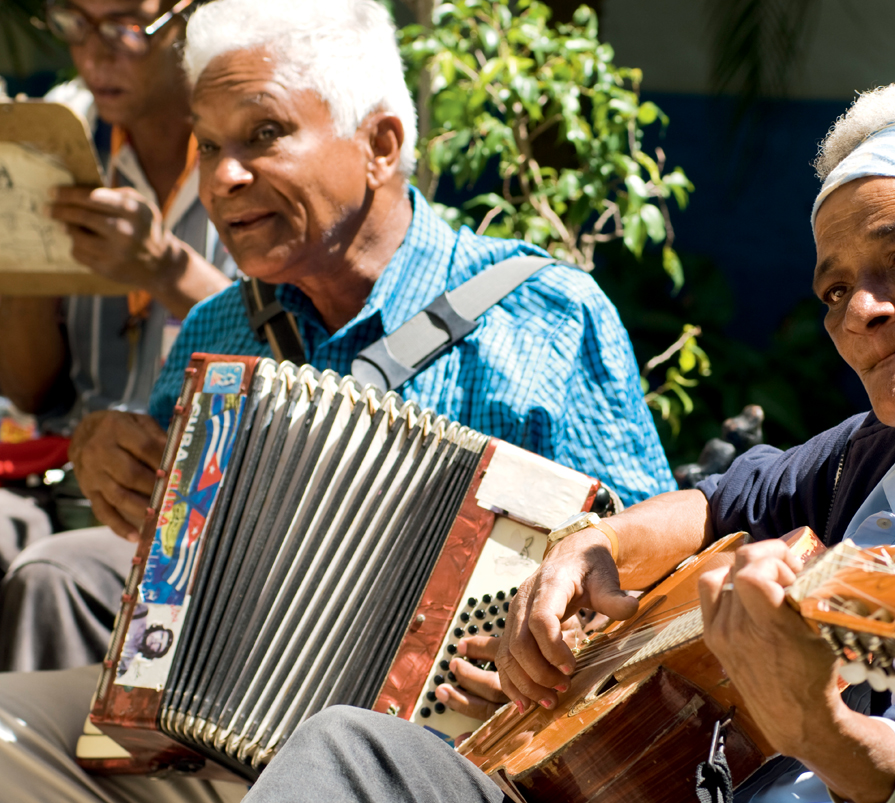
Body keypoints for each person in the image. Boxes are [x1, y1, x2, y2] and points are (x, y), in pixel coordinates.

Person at [238, 80, 895, 803]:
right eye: (833, 289)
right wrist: (595, 550)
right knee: (360, 751)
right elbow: (730, 500)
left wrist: (819, 726)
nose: (860, 310)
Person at [0, 0, 674, 800]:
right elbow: (161, 540)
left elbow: (651, 590)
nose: (223, 177)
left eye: (263, 135)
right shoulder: (220, 328)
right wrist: (108, 452)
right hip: (216, 737)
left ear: (381, 145)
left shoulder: (546, 315)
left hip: (440, 760)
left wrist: (551, 650)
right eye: (208, 144)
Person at [0, 0, 239, 672]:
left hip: (197, 490)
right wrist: (21, 255)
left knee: (52, 577)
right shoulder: (55, 129)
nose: (94, 53)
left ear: (189, 19)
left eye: (125, 26)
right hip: (60, 471)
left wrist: (164, 270)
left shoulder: (249, 136)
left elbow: (290, 340)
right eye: (75, 23)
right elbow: (30, 386)